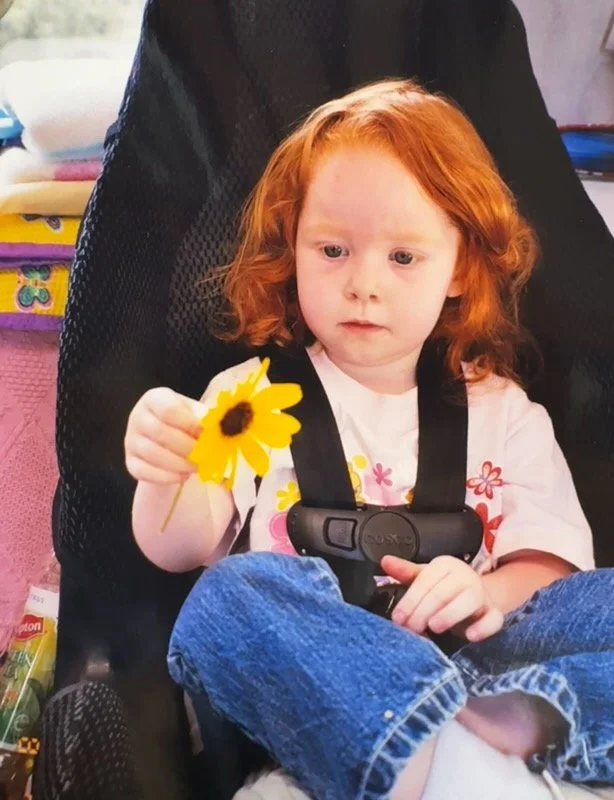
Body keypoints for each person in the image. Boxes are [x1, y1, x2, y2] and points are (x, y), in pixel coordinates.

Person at [123, 80, 612, 799]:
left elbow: (550, 572)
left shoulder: (506, 414)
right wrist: (164, 469)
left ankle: (494, 744)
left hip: (483, 681)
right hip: (317, 708)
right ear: (292, 252)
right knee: (226, 600)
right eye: (333, 250)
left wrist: (482, 592)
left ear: (460, 268)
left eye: (403, 258)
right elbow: (179, 547)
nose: (363, 285)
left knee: (598, 604)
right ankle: (443, 771)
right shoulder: (244, 399)